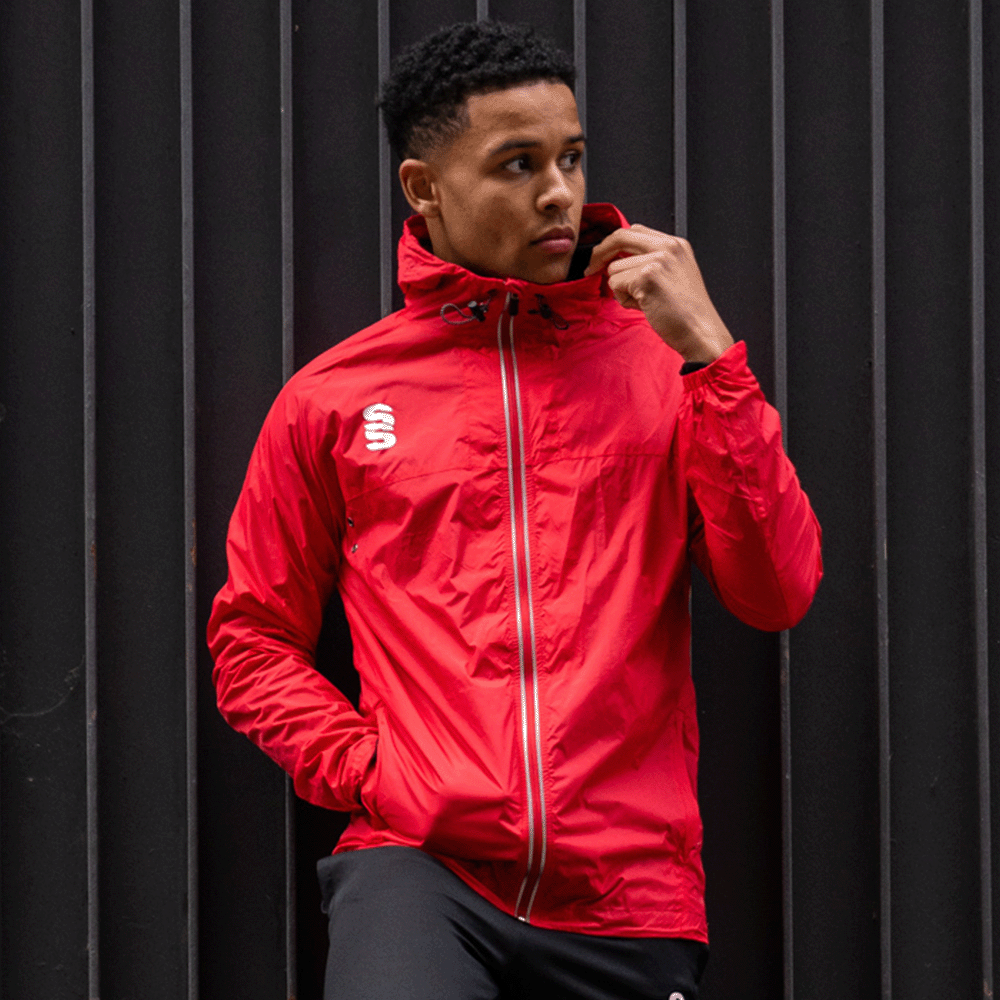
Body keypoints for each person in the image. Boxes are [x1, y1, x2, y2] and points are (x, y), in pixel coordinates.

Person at [207, 20, 822, 1000]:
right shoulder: (333, 399)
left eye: (571, 158)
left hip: (626, 891)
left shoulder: (669, 371)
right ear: (424, 186)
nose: (558, 193)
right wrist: (372, 772)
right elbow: (252, 638)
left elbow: (776, 590)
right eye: (517, 164)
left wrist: (712, 358)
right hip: (422, 867)